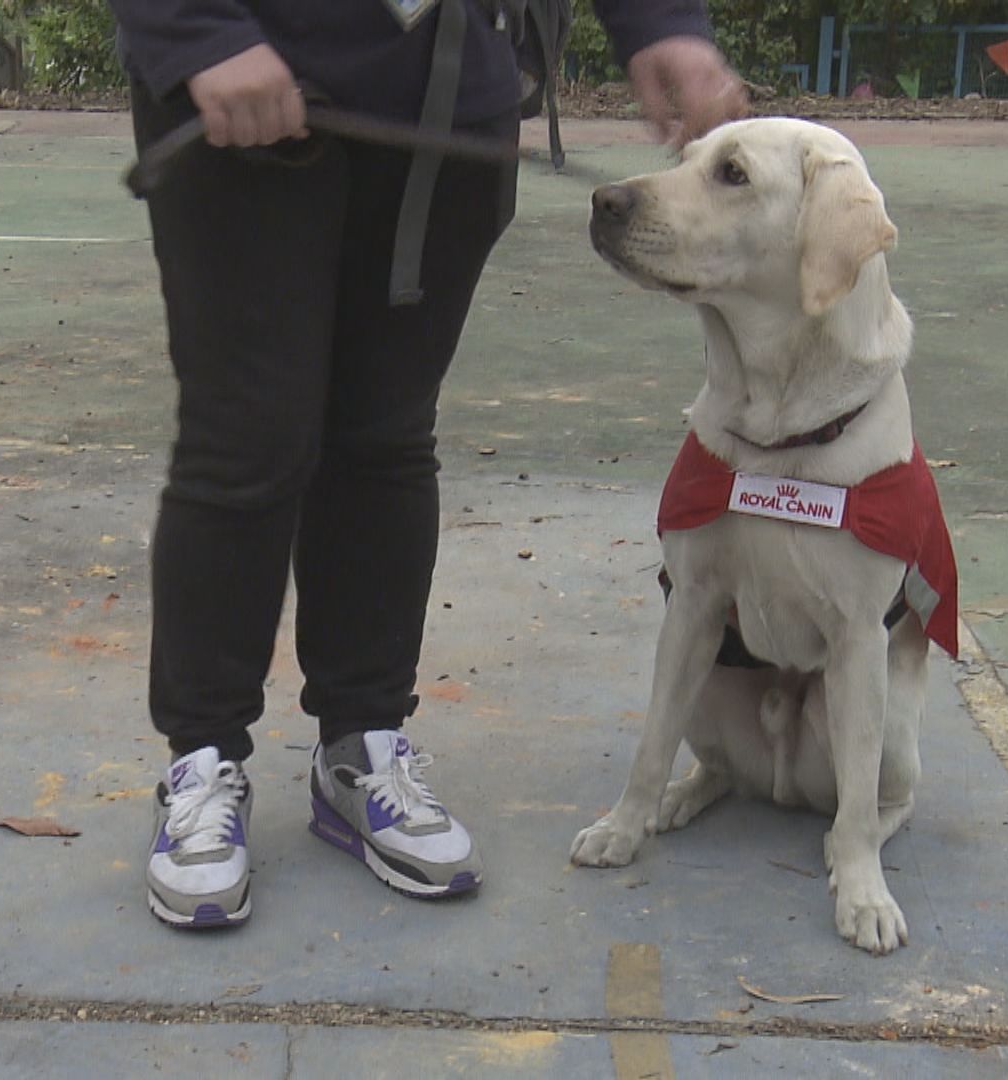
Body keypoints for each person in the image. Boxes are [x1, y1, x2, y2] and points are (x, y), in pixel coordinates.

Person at [109, 0, 747, 928]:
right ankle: (203, 760)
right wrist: (197, 29)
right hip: (242, 83)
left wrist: (658, 24)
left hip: (445, 107)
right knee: (247, 437)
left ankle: (360, 743)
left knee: (387, 434)